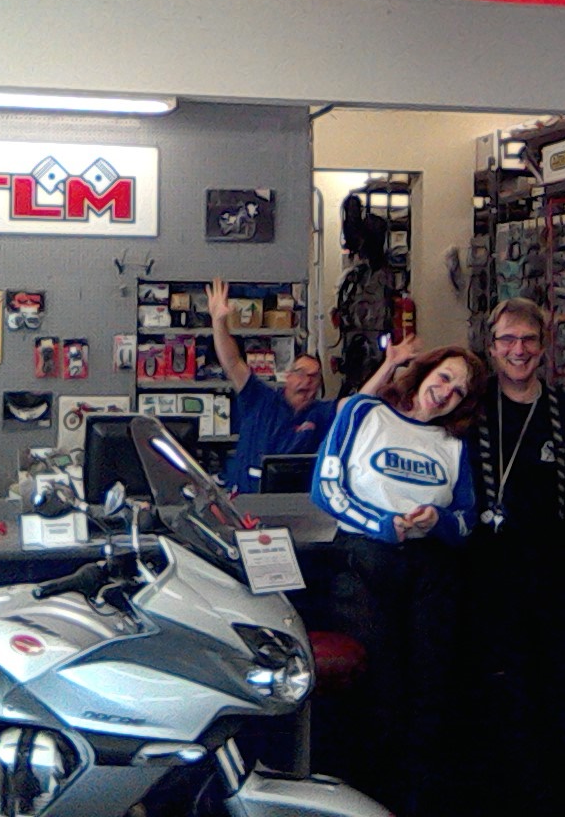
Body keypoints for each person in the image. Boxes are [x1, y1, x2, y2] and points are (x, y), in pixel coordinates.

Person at [312, 342, 487, 817]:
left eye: (460, 391)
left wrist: (439, 521)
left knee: (429, 698)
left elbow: (467, 519)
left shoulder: (454, 443)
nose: (447, 392)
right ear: (425, 371)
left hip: (431, 574)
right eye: (445, 377)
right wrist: (382, 524)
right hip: (363, 562)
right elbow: (326, 487)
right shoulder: (364, 413)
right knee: (376, 696)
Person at [464, 297, 565, 814]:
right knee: (499, 714)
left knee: (562, 714)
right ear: (491, 348)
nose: (519, 350)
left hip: (557, 593)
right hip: (489, 592)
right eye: (508, 339)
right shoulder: (470, 410)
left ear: (544, 347)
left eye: (529, 339)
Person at [205, 277, 412, 493]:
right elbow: (232, 362)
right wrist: (218, 322)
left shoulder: (320, 413)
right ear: (288, 376)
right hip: (246, 498)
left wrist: (390, 364)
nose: (307, 381)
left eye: (314, 377)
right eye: (301, 373)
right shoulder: (260, 398)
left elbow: (358, 403)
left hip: (295, 501)